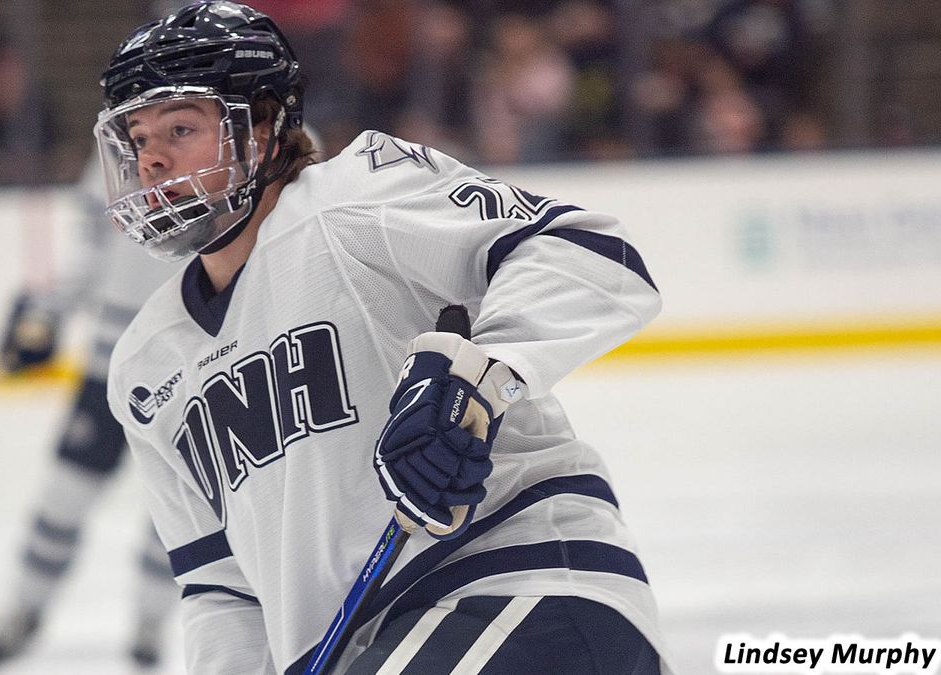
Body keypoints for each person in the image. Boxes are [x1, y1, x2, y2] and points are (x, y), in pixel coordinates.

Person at [98, 3, 672, 673]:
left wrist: (478, 380)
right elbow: (222, 589)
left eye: (180, 127)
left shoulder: (355, 197)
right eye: (137, 139)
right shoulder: (144, 366)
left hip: (520, 588)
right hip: (370, 650)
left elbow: (591, 253)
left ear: (262, 124)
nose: (153, 158)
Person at [0, 159, 181, 670]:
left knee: (174, 516)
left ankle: (150, 626)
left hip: (193, 366)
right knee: (63, 496)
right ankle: (23, 611)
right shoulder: (114, 151)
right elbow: (91, 244)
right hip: (108, 364)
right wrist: (46, 313)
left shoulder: (241, 138)